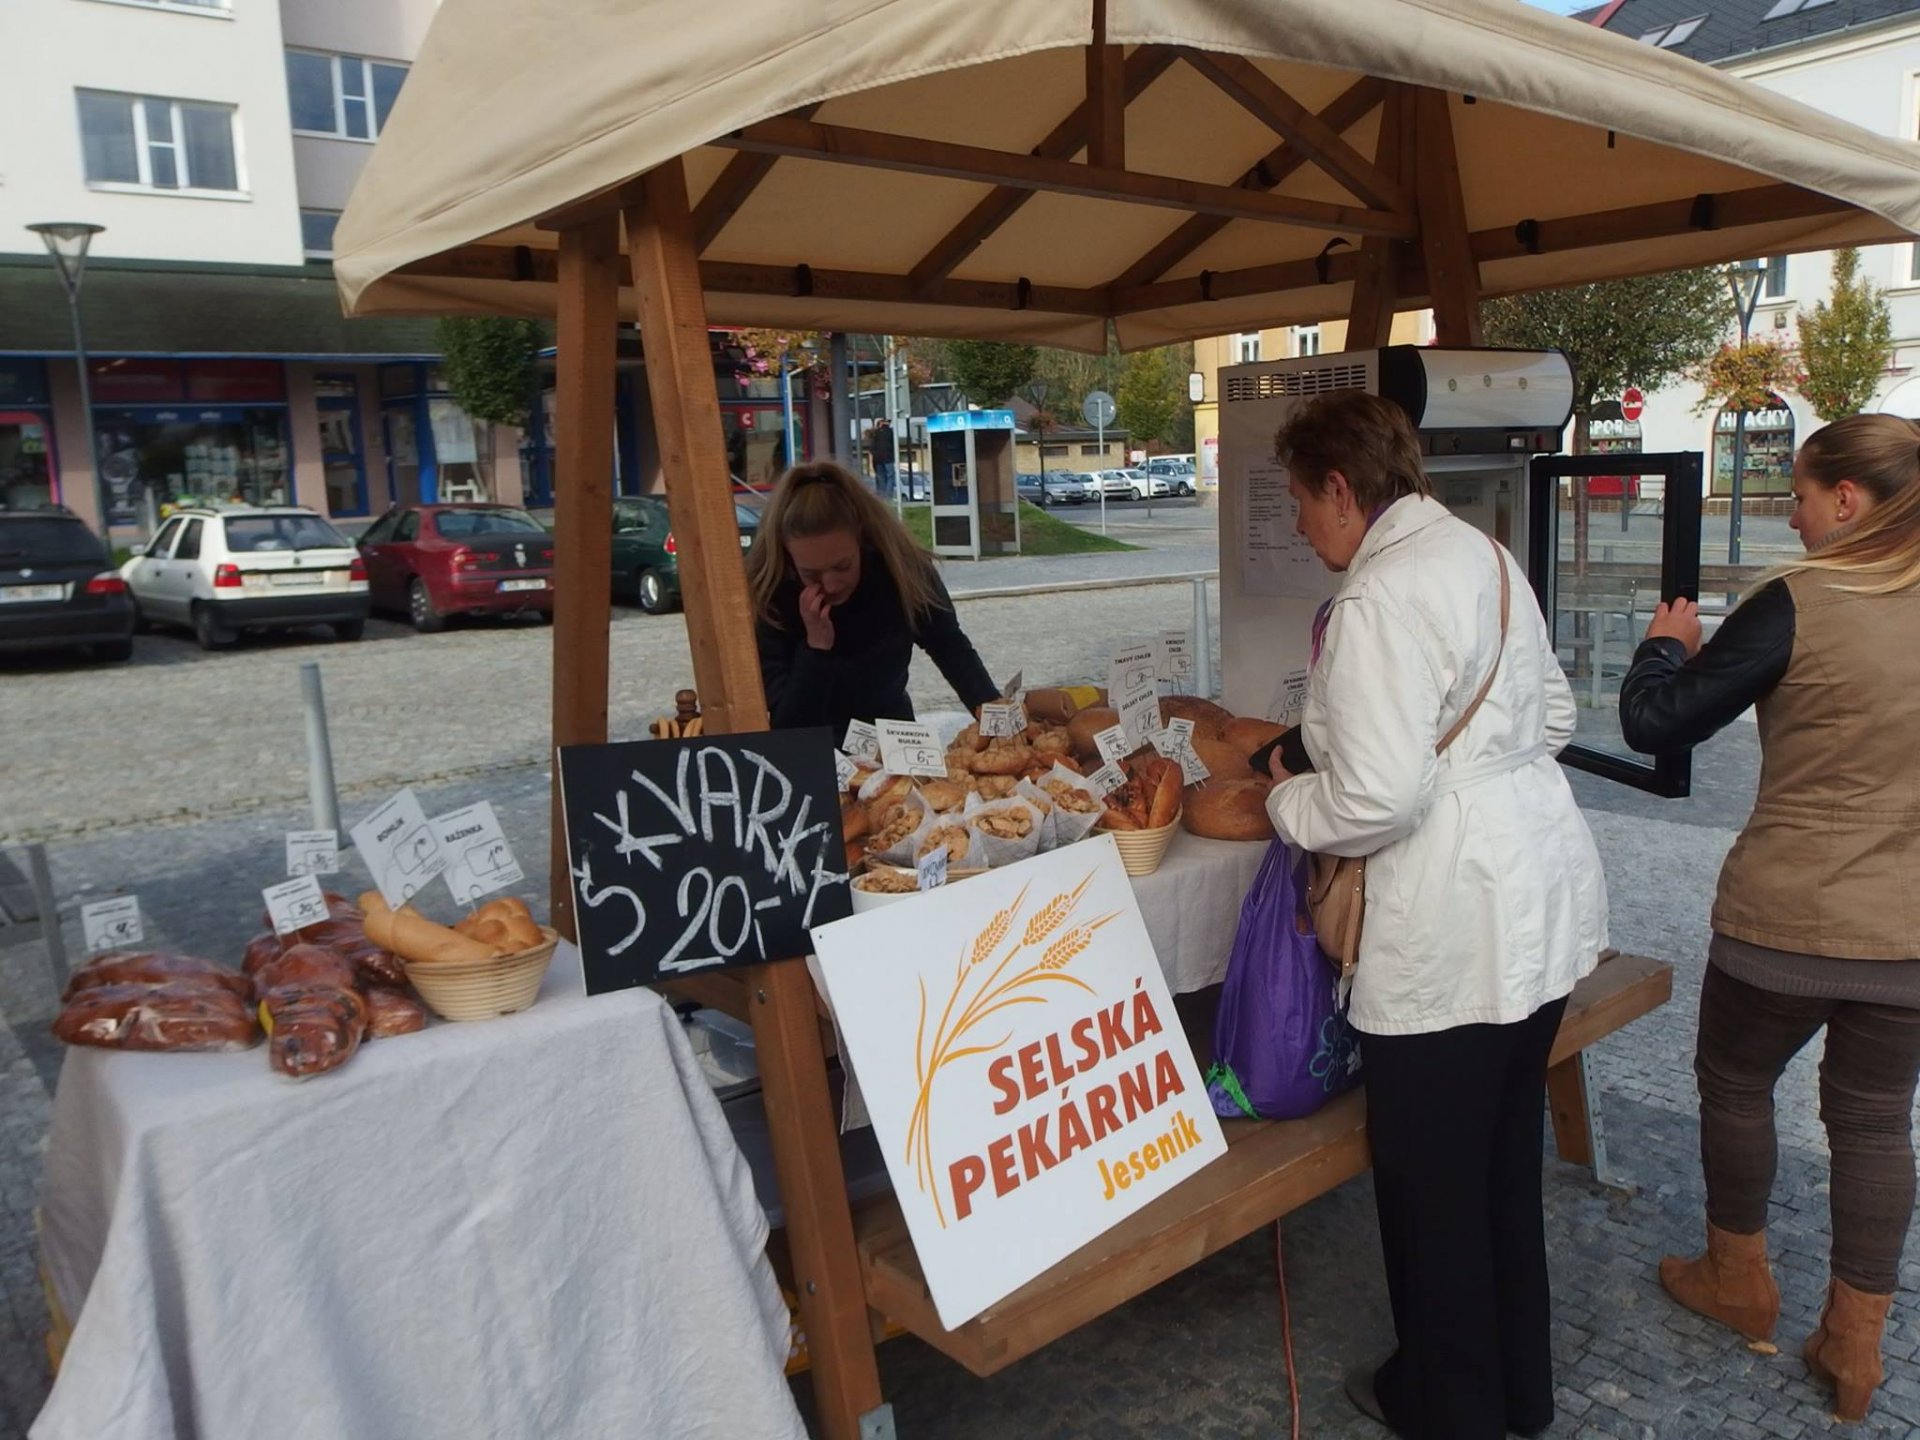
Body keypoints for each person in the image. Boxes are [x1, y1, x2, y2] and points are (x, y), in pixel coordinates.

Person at [1261, 392, 1607, 1440]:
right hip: (1536, 887)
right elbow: (1553, 715)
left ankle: (1447, 1404)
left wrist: (1287, 801)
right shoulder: (1485, 558)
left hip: (1451, 917)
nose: (1299, 526)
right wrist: (1476, 769)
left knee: (1430, 1185)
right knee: (1500, 1163)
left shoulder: (1377, 597)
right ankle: (1517, 1390)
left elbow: (1377, 799)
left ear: (1339, 488)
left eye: (1300, 501)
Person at [1619, 413, 1920, 1422]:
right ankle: (1855, 1346)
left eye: (1800, 496)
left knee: (1737, 1083)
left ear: (1849, 499)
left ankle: (1736, 1278)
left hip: (1785, 918)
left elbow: (1657, 721)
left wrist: (1662, 648)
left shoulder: (1802, 600)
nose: (1793, 518)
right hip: (1910, 931)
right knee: (1875, 1123)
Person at [748, 460, 999, 737]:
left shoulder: (901, 570)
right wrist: (816, 649)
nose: (830, 585)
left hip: (893, 738)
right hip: (816, 748)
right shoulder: (772, 594)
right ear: (788, 558)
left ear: (861, 537)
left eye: (842, 566)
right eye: (811, 574)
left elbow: (950, 647)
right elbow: (790, 729)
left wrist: (996, 718)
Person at [867, 418, 897, 499]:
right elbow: (894, 444)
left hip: (877, 459)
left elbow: (871, 447)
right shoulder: (890, 432)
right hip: (888, 458)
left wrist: (875, 454)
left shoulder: (874, 433)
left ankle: (881, 496)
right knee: (890, 476)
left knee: (881, 478)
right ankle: (888, 496)